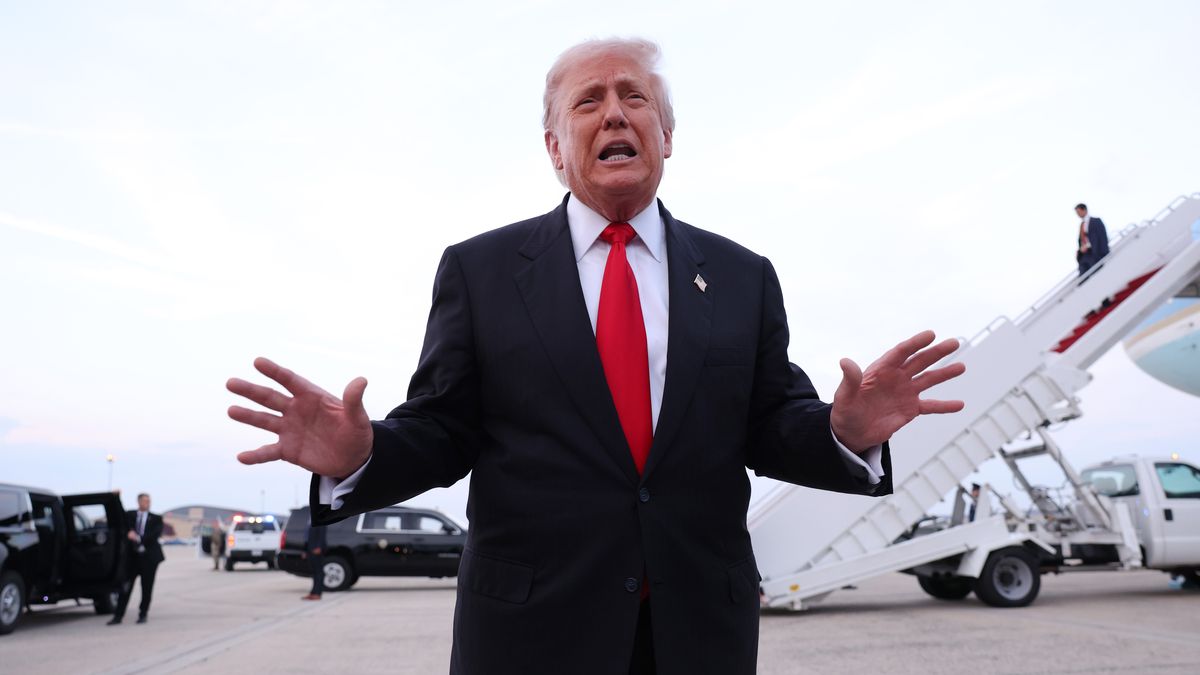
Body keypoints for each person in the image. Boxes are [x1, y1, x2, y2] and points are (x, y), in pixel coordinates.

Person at [227, 38, 967, 674]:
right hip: (530, 634)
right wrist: (360, 452)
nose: (615, 112)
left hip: (698, 633)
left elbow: (771, 422)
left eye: (634, 96)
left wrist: (845, 433)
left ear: (667, 135)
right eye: (588, 101)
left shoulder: (742, 274)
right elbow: (443, 429)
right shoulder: (480, 272)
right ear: (555, 147)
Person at [108, 493, 165, 625]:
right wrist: (116, 498)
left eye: (149, 501)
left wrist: (138, 538)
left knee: (147, 588)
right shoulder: (130, 516)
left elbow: (155, 534)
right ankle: (118, 615)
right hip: (132, 559)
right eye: (145, 501)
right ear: (139, 502)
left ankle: (143, 614)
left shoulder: (156, 518)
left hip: (149, 558)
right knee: (125, 587)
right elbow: (119, 515)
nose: (148, 503)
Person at [1075, 203, 1110, 276]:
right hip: (1084, 255)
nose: (1078, 214)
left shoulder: (1096, 221)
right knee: (1083, 275)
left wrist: (1104, 253)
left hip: (1095, 253)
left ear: (1084, 210)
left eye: (1078, 212)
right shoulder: (1081, 225)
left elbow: (1102, 237)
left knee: (1096, 274)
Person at [301, 521, 327, 601]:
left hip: (316, 550)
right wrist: (305, 551)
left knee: (319, 572)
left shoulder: (319, 518)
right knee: (314, 572)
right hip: (310, 549)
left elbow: (322, 534)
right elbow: (307, 536)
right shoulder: (310, 520)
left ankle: (317, 593)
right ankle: (313, 592)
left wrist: (319, 547)